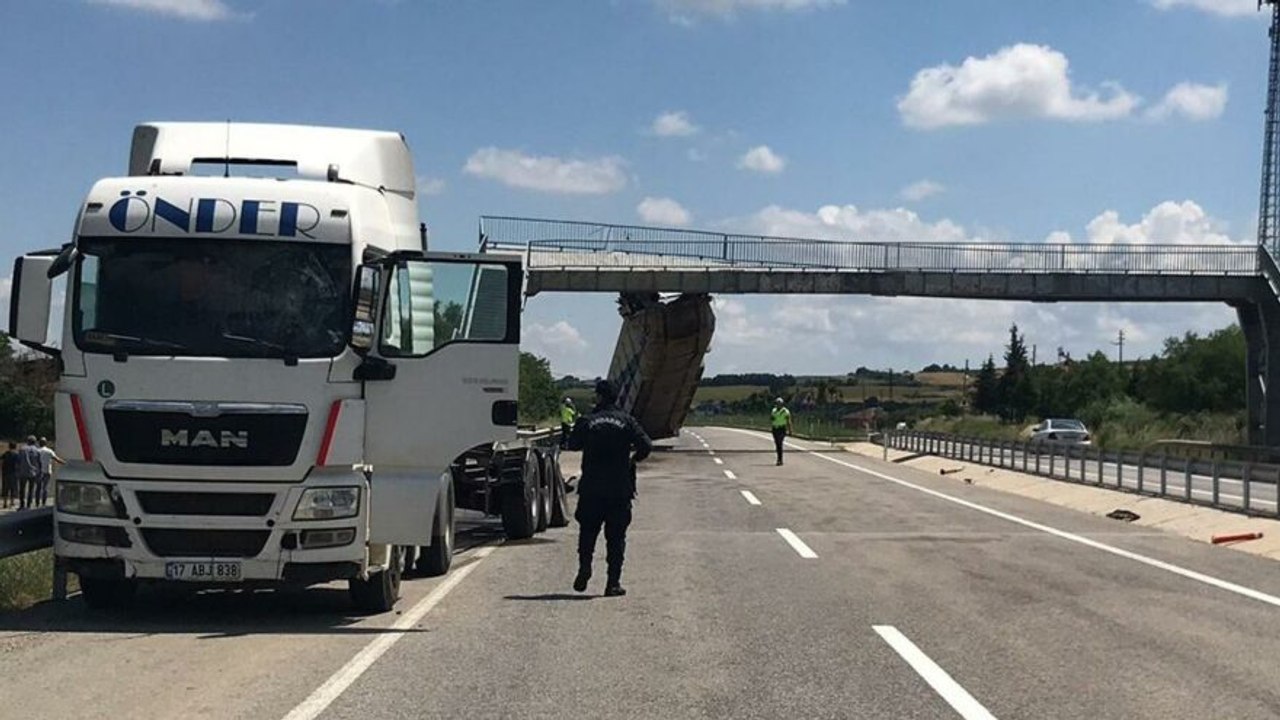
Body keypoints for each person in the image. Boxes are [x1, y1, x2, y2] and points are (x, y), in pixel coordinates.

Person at [566, 379, 652, 597]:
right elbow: (646, 445)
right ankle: (612, 583)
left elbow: (573, 444)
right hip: (619, 489)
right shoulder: (627, 421)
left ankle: (584, 568)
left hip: (592, 488)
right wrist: (633, 459)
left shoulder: (588, 420)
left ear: (600, 396)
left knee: (587, 533)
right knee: (616, 538)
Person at [36, 438, 65, 507]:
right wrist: (65, 463)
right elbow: (57, 459)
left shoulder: (37, 451)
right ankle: (43, 503)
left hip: (39, 471)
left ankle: (37, 503)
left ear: (39, 443)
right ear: (46, 443)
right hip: (47, 471)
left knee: (38, 487)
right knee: (45, 487)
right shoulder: (49, 451)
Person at [17, 436, 42, 510]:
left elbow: (18, 461)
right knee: (31, 489)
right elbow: (39, 462)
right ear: (35, 442)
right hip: (33, 472)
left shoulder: (22, 449)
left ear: (27, 441)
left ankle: (22, 504)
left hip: (23, 472)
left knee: (22, 489)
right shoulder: (37, 451)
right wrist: (39, 471)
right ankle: (28, 505)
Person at [770, 397, 793, 466]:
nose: (778, 405)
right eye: (777, 403)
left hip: (782, 429)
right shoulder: (773, 411)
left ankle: (780, 459)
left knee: (780, 443)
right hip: (775, 429)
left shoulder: (785, 411)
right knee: (777, 444)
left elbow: (789, 421)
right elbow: (772, 419)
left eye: (779, 404)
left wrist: (790, 430)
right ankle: (779, 458)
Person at [0, 442, 16, 509]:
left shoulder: (5, 454)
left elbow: (1, 462)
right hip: (13, 473)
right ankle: (12, 502)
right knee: (13, 488)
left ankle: (5, 503)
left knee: (5, 489)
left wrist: (1, 470)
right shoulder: (16, 454)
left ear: (9, 447)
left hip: (5, 473)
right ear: (15, 447)